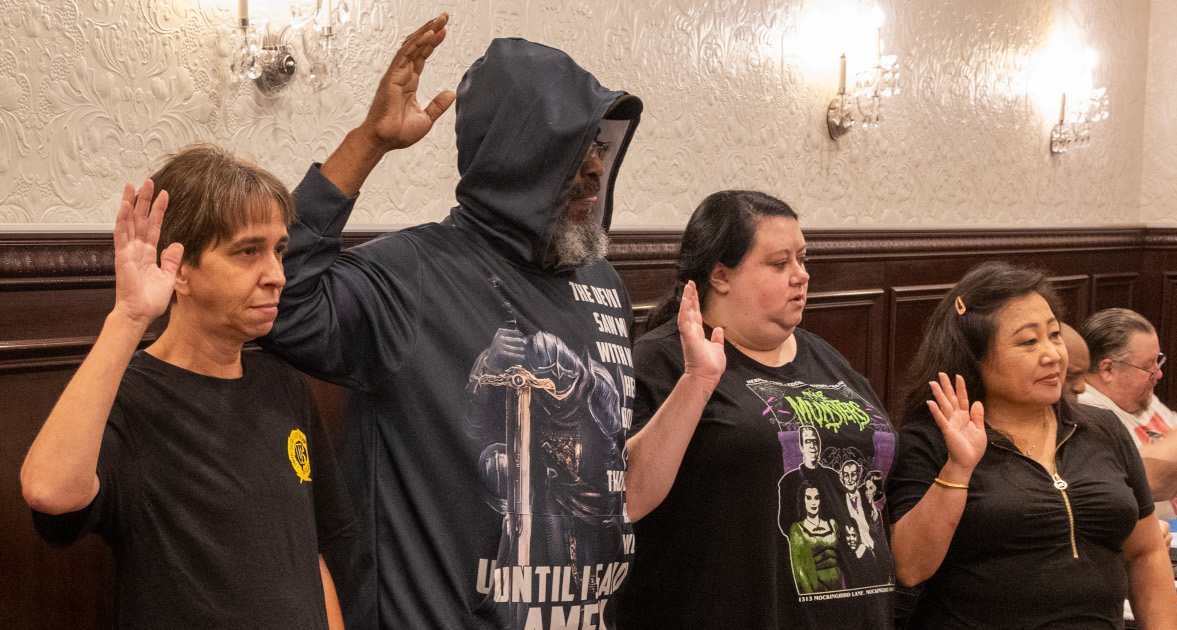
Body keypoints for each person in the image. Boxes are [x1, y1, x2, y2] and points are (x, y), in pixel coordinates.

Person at [258, 15, 722, 630]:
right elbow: (278, 305)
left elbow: (617, 485)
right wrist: (368, 142)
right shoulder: (413, 274)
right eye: (570, 151)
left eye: (599, 149)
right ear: (517, 159)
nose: (594, 170)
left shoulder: (601, 282)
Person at [19, 145, 356, 629]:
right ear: (180, 270)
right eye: (248, 252)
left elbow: (311, 552)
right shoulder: (129, 397)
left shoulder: (283, 384)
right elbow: (50, 491)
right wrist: (130, 317)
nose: (277, 276)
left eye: (278, 250)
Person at [614, 190, 896, 630]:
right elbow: (626, 495)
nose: (800, 275)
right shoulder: (662, 360)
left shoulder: (827, 358)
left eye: (802, 259)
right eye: (779, 263)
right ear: (721, 275)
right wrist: (697, 383)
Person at [887, 261, 1176, 629]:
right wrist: (958, 468)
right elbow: (910, 568)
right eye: (1028, 341)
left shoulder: (1103, 429)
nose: (1053, 354)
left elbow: (1146, 552)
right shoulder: (930, 440)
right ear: (974, 357)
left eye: (1054, 335)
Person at [1078, 307, 1177, 517]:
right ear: (1107, 369)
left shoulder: (1140, 396)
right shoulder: (1085, 408)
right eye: (1148, 366)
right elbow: (1143, 476)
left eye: (1158, 360)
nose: (1159, 373)